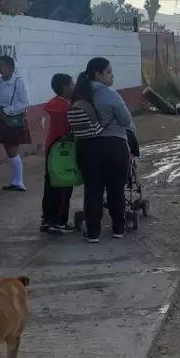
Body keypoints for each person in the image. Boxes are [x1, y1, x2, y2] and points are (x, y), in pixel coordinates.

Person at [70, 57, 133, 243]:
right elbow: (126, 121)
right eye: (109, 72)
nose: (112, 75)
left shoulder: (79, 94)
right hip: (114, 147)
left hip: (86, 147)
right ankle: (118, 228)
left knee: (93, 189)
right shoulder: (111, 95)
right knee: (116, 189)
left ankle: (93, 233)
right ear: (98, 75)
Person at [0, 54, 30, 191]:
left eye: (4, 66)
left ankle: (19, 182)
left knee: (13, 150)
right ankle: (14, 181)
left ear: (11, 67)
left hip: (12, 118)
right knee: (8, 149)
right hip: (0, 117)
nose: (1, 69)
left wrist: (7, 111)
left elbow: (24, 102)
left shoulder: (18, 81)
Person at [41, 73, 75, 235]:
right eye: (72, 85)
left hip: (51, 149)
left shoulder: (53, 105)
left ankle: (47, 219)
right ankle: (58, 221)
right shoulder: (68, 108)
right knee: (64, 184)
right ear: (65, 88)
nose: (74, 87)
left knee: (50, 184)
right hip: (63, 152)